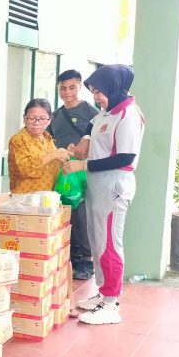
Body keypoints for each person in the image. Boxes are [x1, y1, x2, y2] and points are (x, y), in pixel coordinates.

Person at [63, 64, 144, 325]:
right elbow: (93, 123)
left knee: (110, 244)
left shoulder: (128, 114)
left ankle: (111, 304)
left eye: (99, 92)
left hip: (114, 185)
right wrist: (85, 139)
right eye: (94, 92)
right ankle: (103, 292)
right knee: (98, 242)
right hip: (98, 185)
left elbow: (125, 158)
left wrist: (83, 164)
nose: (95, 97)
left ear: (114, 87)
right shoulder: (108, 111)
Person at [47, 69, 100, 280]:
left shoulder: (92, 112)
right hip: (62, 173)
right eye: (63, 88)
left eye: (72, 87)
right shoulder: (56, 115)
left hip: (83, 171)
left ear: (79, 87)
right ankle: (69, 257)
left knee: (81, 215)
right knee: (65, 213)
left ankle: (86, 260)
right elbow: (48, 140)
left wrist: (82, 155)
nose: (67, 92)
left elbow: (101, 140)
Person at [8, 98, 70, 193]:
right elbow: (24, 170)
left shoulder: (48, 139)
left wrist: (67, 154)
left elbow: (54, 169)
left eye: (42, 119)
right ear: (24, 119)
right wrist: (54, 155)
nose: (37, 123)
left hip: (48, 199)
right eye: (32, 118)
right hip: (25, 201)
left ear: (49, 120)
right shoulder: (18, 140)